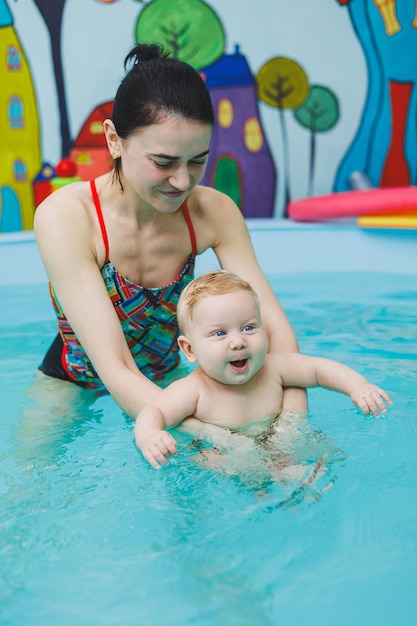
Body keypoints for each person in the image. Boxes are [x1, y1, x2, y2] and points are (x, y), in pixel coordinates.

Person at [34, 43, 306, 418]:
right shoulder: (67, 218)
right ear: (114, 140)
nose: (182, 181)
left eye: (198, 161)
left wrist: (292, 423)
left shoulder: (213, 213)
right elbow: (118, 368)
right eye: (163, 162)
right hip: (74, 384)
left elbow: (278, 336)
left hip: (169, 383)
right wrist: (220, 436)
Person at [135, 270, 391, 469]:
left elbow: (318, 369)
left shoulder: (273, 368)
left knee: (326, 459)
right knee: (211, 460)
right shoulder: (194, 390)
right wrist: (149, 435)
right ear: (189, 349)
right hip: (228, 459)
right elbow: (154, 410)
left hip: (282, 444)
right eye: (220, 333)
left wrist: (357, 386)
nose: (238, 341)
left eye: (248, 327)